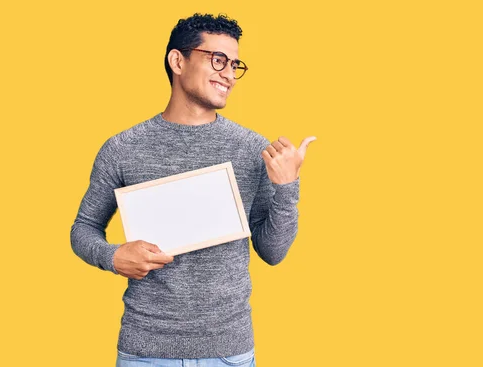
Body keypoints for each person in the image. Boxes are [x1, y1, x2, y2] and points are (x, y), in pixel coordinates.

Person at [70, 13, 315, 367]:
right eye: (218, 60)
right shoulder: (123, 148)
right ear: (177, 61)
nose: (229, 74)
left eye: (235, 64)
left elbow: (273, 252)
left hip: (229, 351)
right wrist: (113, 256)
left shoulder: (252, 149)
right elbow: (82, 229)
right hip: (146, 351)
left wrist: (287, 187)